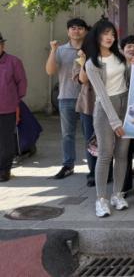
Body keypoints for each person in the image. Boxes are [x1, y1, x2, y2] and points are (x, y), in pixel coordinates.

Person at [84, 20, 133, 217]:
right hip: (106, 110)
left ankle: (117, 195)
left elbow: (128, 80)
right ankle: (101, 199)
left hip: (125, 105)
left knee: (122, 154)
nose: (109, 37)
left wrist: (132, 65)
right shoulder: (91, 63)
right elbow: (102, 95)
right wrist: (115, 121)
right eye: (105, 33)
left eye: (112, 34)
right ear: (97, 36)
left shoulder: (119, 57)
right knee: (105, 155)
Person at [45, 17, 88, 180]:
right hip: (66, 97)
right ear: (68, 31)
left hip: (87, 98)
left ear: (85, 31)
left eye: (80, 28)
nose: (76, 31)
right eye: (73, 28)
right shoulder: (60, 50)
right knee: (67, 135)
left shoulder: (90, 48)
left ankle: (94, 167)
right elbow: (50, 71)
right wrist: (53, 50)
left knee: (89, 134)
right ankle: (68, 165)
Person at [0, 33, 27, 182]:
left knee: (5, 141)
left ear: (2, 45)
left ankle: (4, 170)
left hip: (7, 107)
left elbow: (21, 84)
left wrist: (15, 101)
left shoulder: (14, 62)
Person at [119, 35, 134, 195]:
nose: (132, 49)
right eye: (129, 46)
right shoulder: (118, 66)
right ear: (122, 49)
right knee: (124, 152)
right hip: (123, 114)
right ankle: (124, 186)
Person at [72, 49, 96, 187]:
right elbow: (82, 79)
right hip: (88, 104)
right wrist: (85, 61)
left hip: (110, 103)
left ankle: (108, 172)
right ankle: (93, 173)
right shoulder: (81, 58)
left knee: (108, 141)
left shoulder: (112, 57)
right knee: (90, 140)